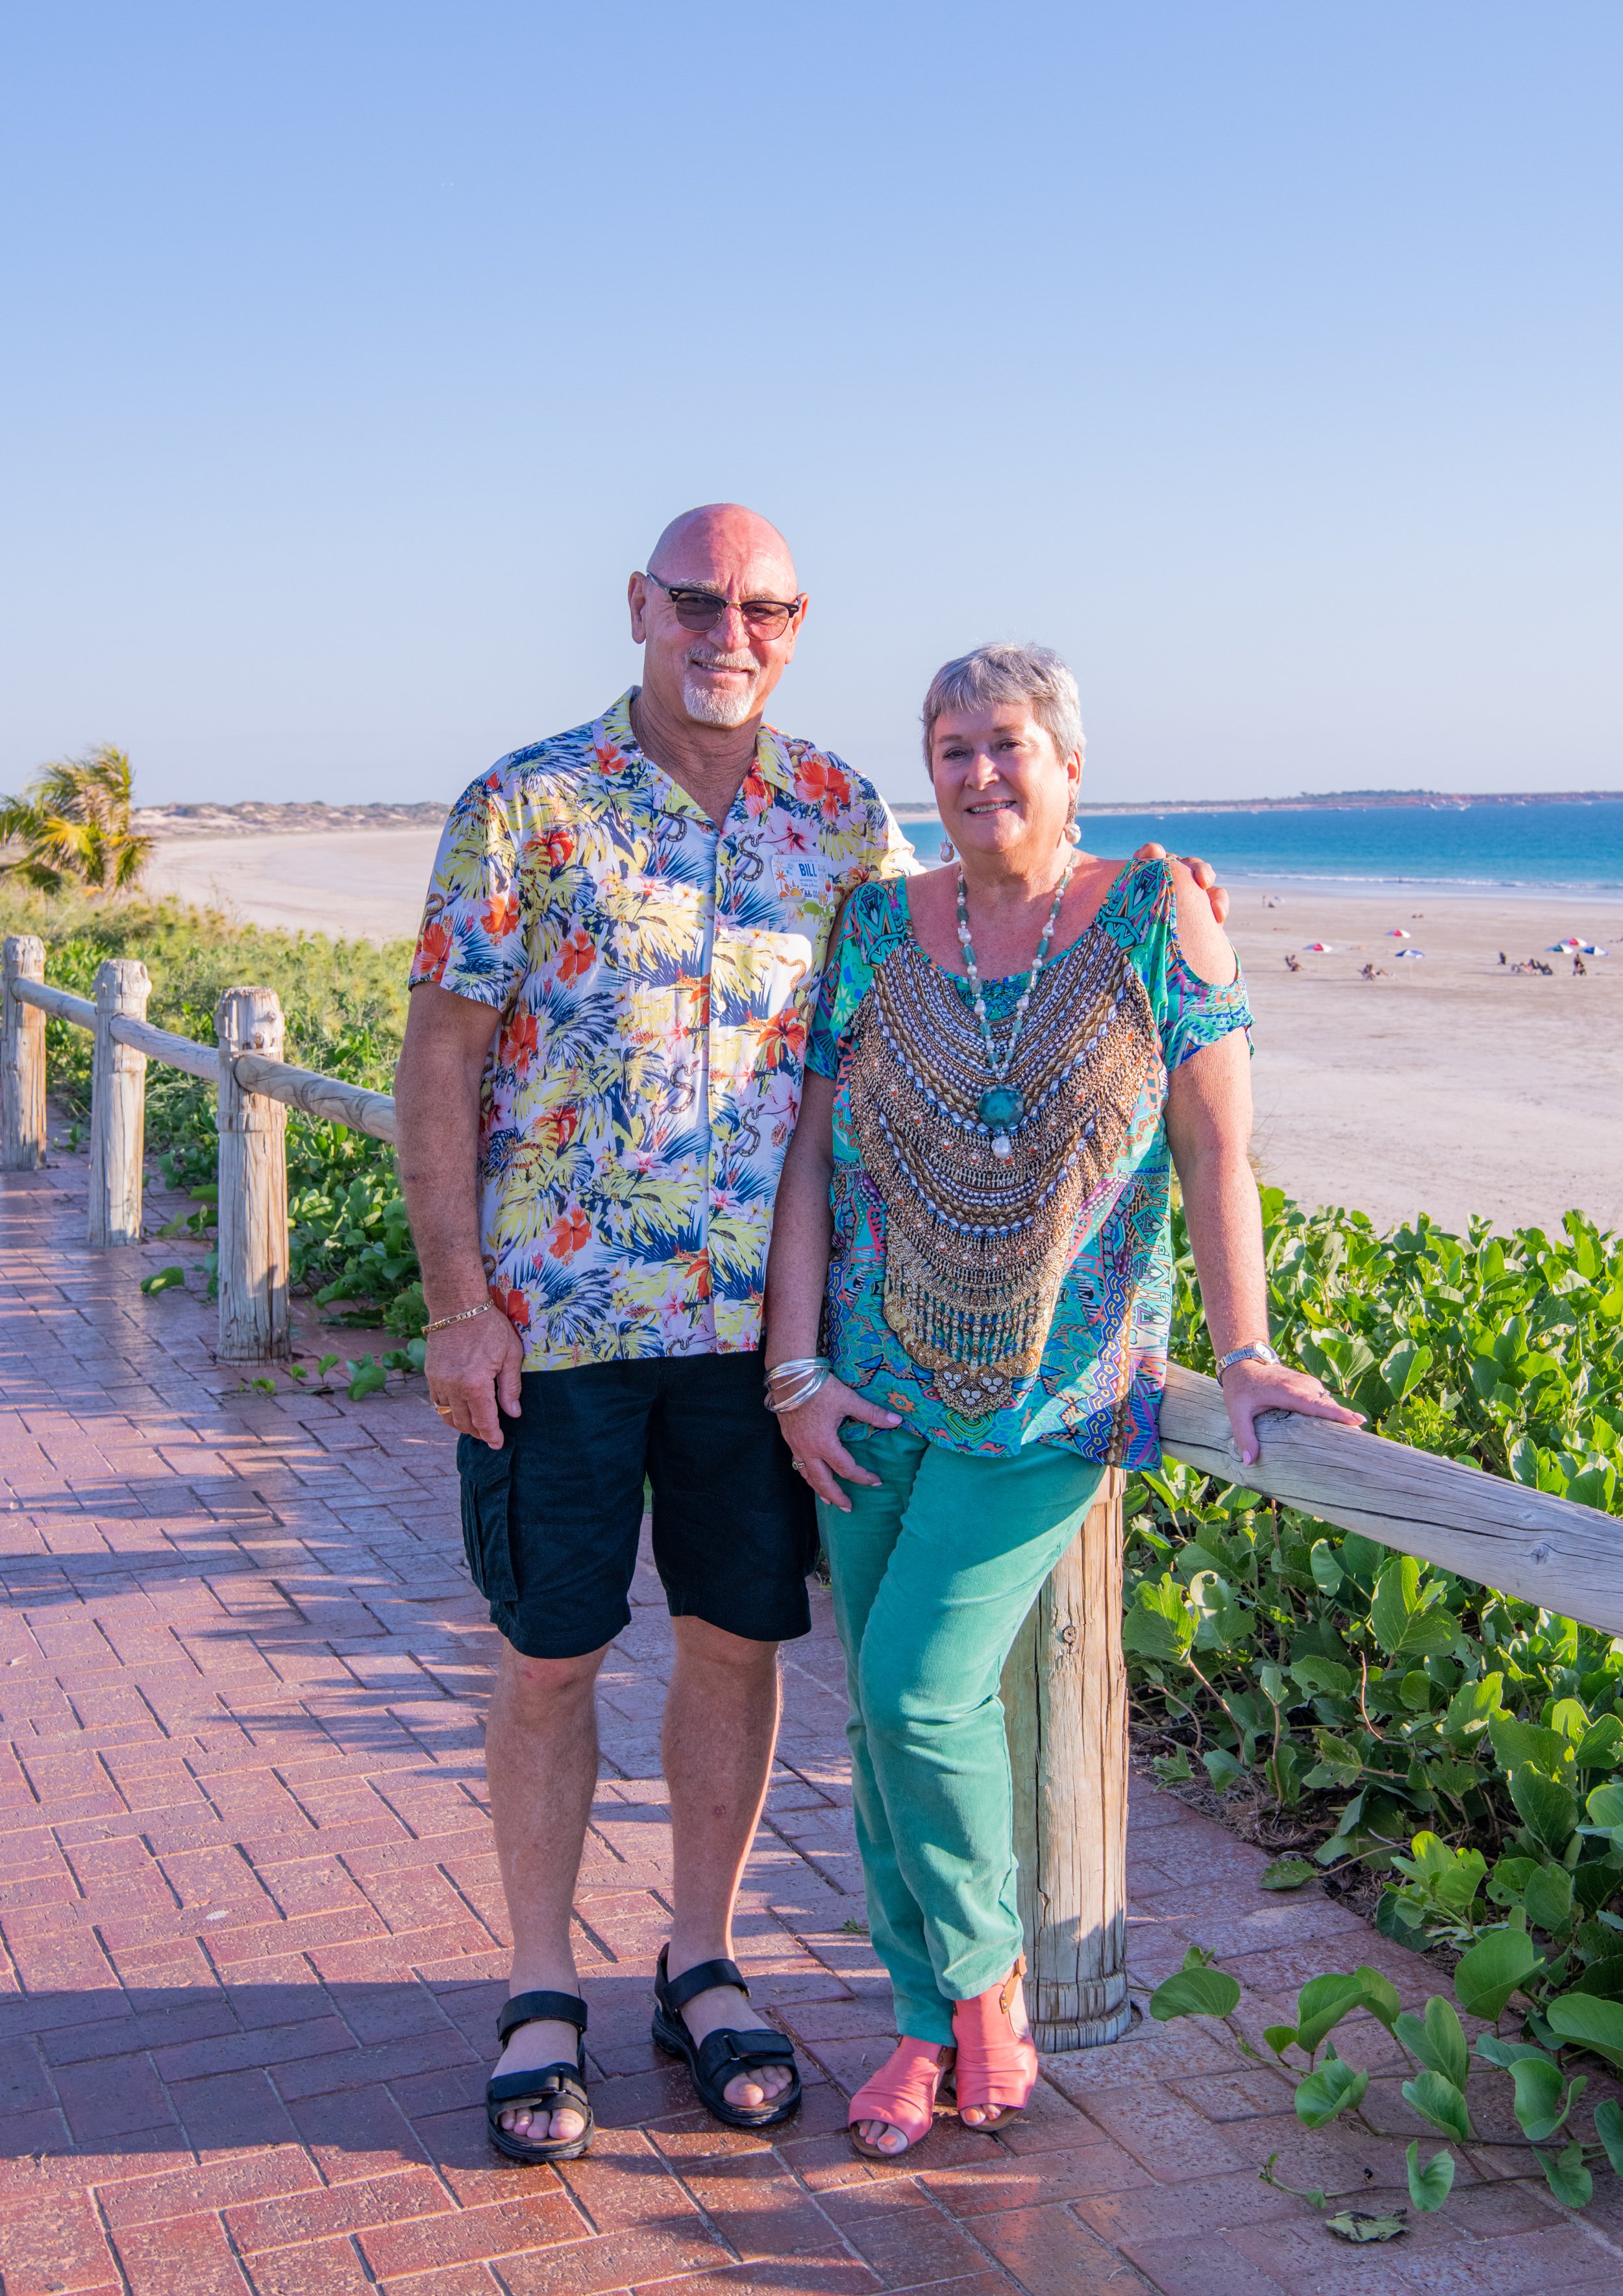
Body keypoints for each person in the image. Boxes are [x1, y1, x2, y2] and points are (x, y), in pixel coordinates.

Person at [393, 510, 1234, 2165]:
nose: (728, 627)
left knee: (733, 1645)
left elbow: (991, 886)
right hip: (550, 1326)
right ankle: (539, 1984)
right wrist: (445, 1303)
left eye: (762, 606)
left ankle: (699, 1960)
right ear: (639, 607)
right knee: (550, 1653)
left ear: (794, 625)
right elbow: (438, 1061)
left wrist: (1159, 881)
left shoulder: (842, 815)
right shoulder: (523, 802)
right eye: (697, 599)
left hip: (763, 1349)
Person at [762, 643, 1360, 2160]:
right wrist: (792, 1374)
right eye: (950, 747)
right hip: (867, 1390)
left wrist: (1240, 1355)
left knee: (913, 1688)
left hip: (1053, 1405)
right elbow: (814, 1160)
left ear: (1068, 762)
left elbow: (1218, 1151)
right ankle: (919, 2016)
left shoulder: (1163, 917)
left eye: (1006, 743)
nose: (977, 773)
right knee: (888, 1718)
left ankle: (976, 1995)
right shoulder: (871, 925)